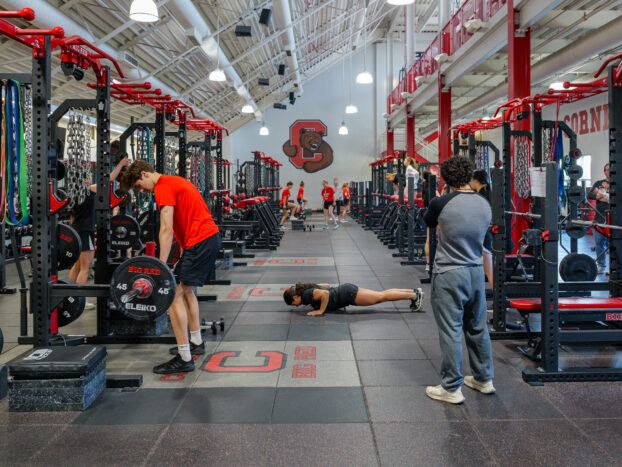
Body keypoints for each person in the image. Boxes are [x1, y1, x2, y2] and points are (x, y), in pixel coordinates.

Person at [121, 160, 221, 375]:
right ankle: (195, 343)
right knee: (187, 292)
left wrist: (160, 265)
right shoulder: (175, 181)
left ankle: (185, 357)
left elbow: (166, 228)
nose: (141, 190)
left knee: (172, 295)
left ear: (146, 174)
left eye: (139, 185)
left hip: (201, 240)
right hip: (205, 239)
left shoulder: (163, 187)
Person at [423, 156, 494, 404]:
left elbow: (430, 223)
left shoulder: (440, 202)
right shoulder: (485, 204)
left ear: (445, 178)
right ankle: (484, 379)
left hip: (449, 273)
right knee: (477, 327)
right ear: (469, 176)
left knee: (451, 329)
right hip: (476, 272)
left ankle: (451, 387)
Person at [69, 155, 129, 293]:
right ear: (83, 180)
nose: (90, 179)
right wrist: (120, 164)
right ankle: (78, 299)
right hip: (85, 231)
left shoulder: (73, 194)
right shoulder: (88, 190)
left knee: (77, 265)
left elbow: (72, 218)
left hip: (76, 230)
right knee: (85, 268)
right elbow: (108, 180)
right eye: (88, 177)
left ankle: (69, 294)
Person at [283, 282, 424, 316]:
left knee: (381, 297)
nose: (295, 306)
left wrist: (320, 311)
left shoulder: (306, 295)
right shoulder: (307, 291)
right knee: (381, 295)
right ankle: (413, 292)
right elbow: (325, 285)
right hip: (346, 291)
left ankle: (413, 296)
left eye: (293, 303)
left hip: (348, 294)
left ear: (296, 297)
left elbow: (324, 294)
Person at [470, 170, 494, 288]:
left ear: (475, 180)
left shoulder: (479, 196)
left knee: (488, 266)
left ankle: (496, 295)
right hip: (487, 232)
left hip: (483, 232)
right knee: (487, 263)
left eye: (471, 180)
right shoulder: (489, 193)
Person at [588, 163, 610, 274]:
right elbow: (589, 195)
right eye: (606, 169)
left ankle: (615, 269)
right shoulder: (598, 183)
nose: (608, 171)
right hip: (599, 219)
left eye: (610, 169)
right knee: (599, 244)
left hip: (614, 220)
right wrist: (603, 196)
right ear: (604, 171)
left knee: (615, 245)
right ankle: (601, 265)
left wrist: (602, 195)